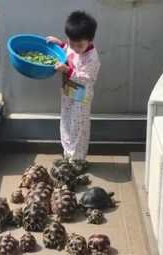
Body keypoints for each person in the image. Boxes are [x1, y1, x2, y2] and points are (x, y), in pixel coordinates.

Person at [46, 10, 100, 171]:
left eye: (80, 45)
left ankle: (77, 160)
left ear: (90, 40)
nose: (75, 48)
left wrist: (67, 71)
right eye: (72, 43)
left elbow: (86, 78)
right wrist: (61, 44)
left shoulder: (92, 58)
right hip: (69, 90)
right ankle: (67, 154)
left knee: (79, 126)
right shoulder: (72, 46)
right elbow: (70, 52)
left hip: (81, 95)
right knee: (66, 121)